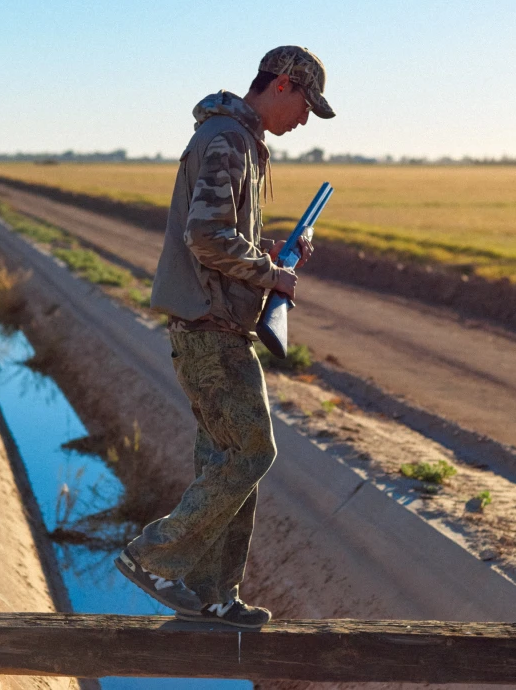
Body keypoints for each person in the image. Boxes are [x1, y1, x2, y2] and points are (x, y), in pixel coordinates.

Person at [115, 46, 334, 629]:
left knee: (226, 461)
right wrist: (274, 276)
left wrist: (274, 257)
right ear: (282, 85)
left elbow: (222, 240)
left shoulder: (240, 142)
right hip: (209, 331)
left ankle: (213, 594)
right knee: (251, 454)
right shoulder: (227, 141)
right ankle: (151, 556)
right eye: (306, 104)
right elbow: (208, 238)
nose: (306, 120)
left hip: (213, 325)